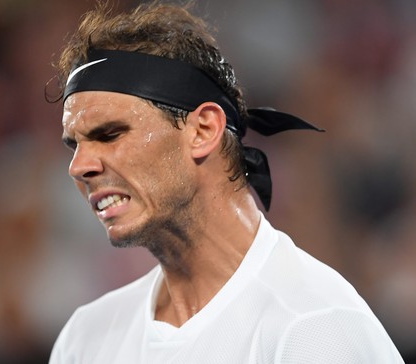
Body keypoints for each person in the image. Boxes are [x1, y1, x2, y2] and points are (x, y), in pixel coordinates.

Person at [48, 2, 404, 363]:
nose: (79, 167)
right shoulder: (85, 338)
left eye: (109, 134)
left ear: (203, 130)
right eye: (74, 145)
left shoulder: (314, 327)